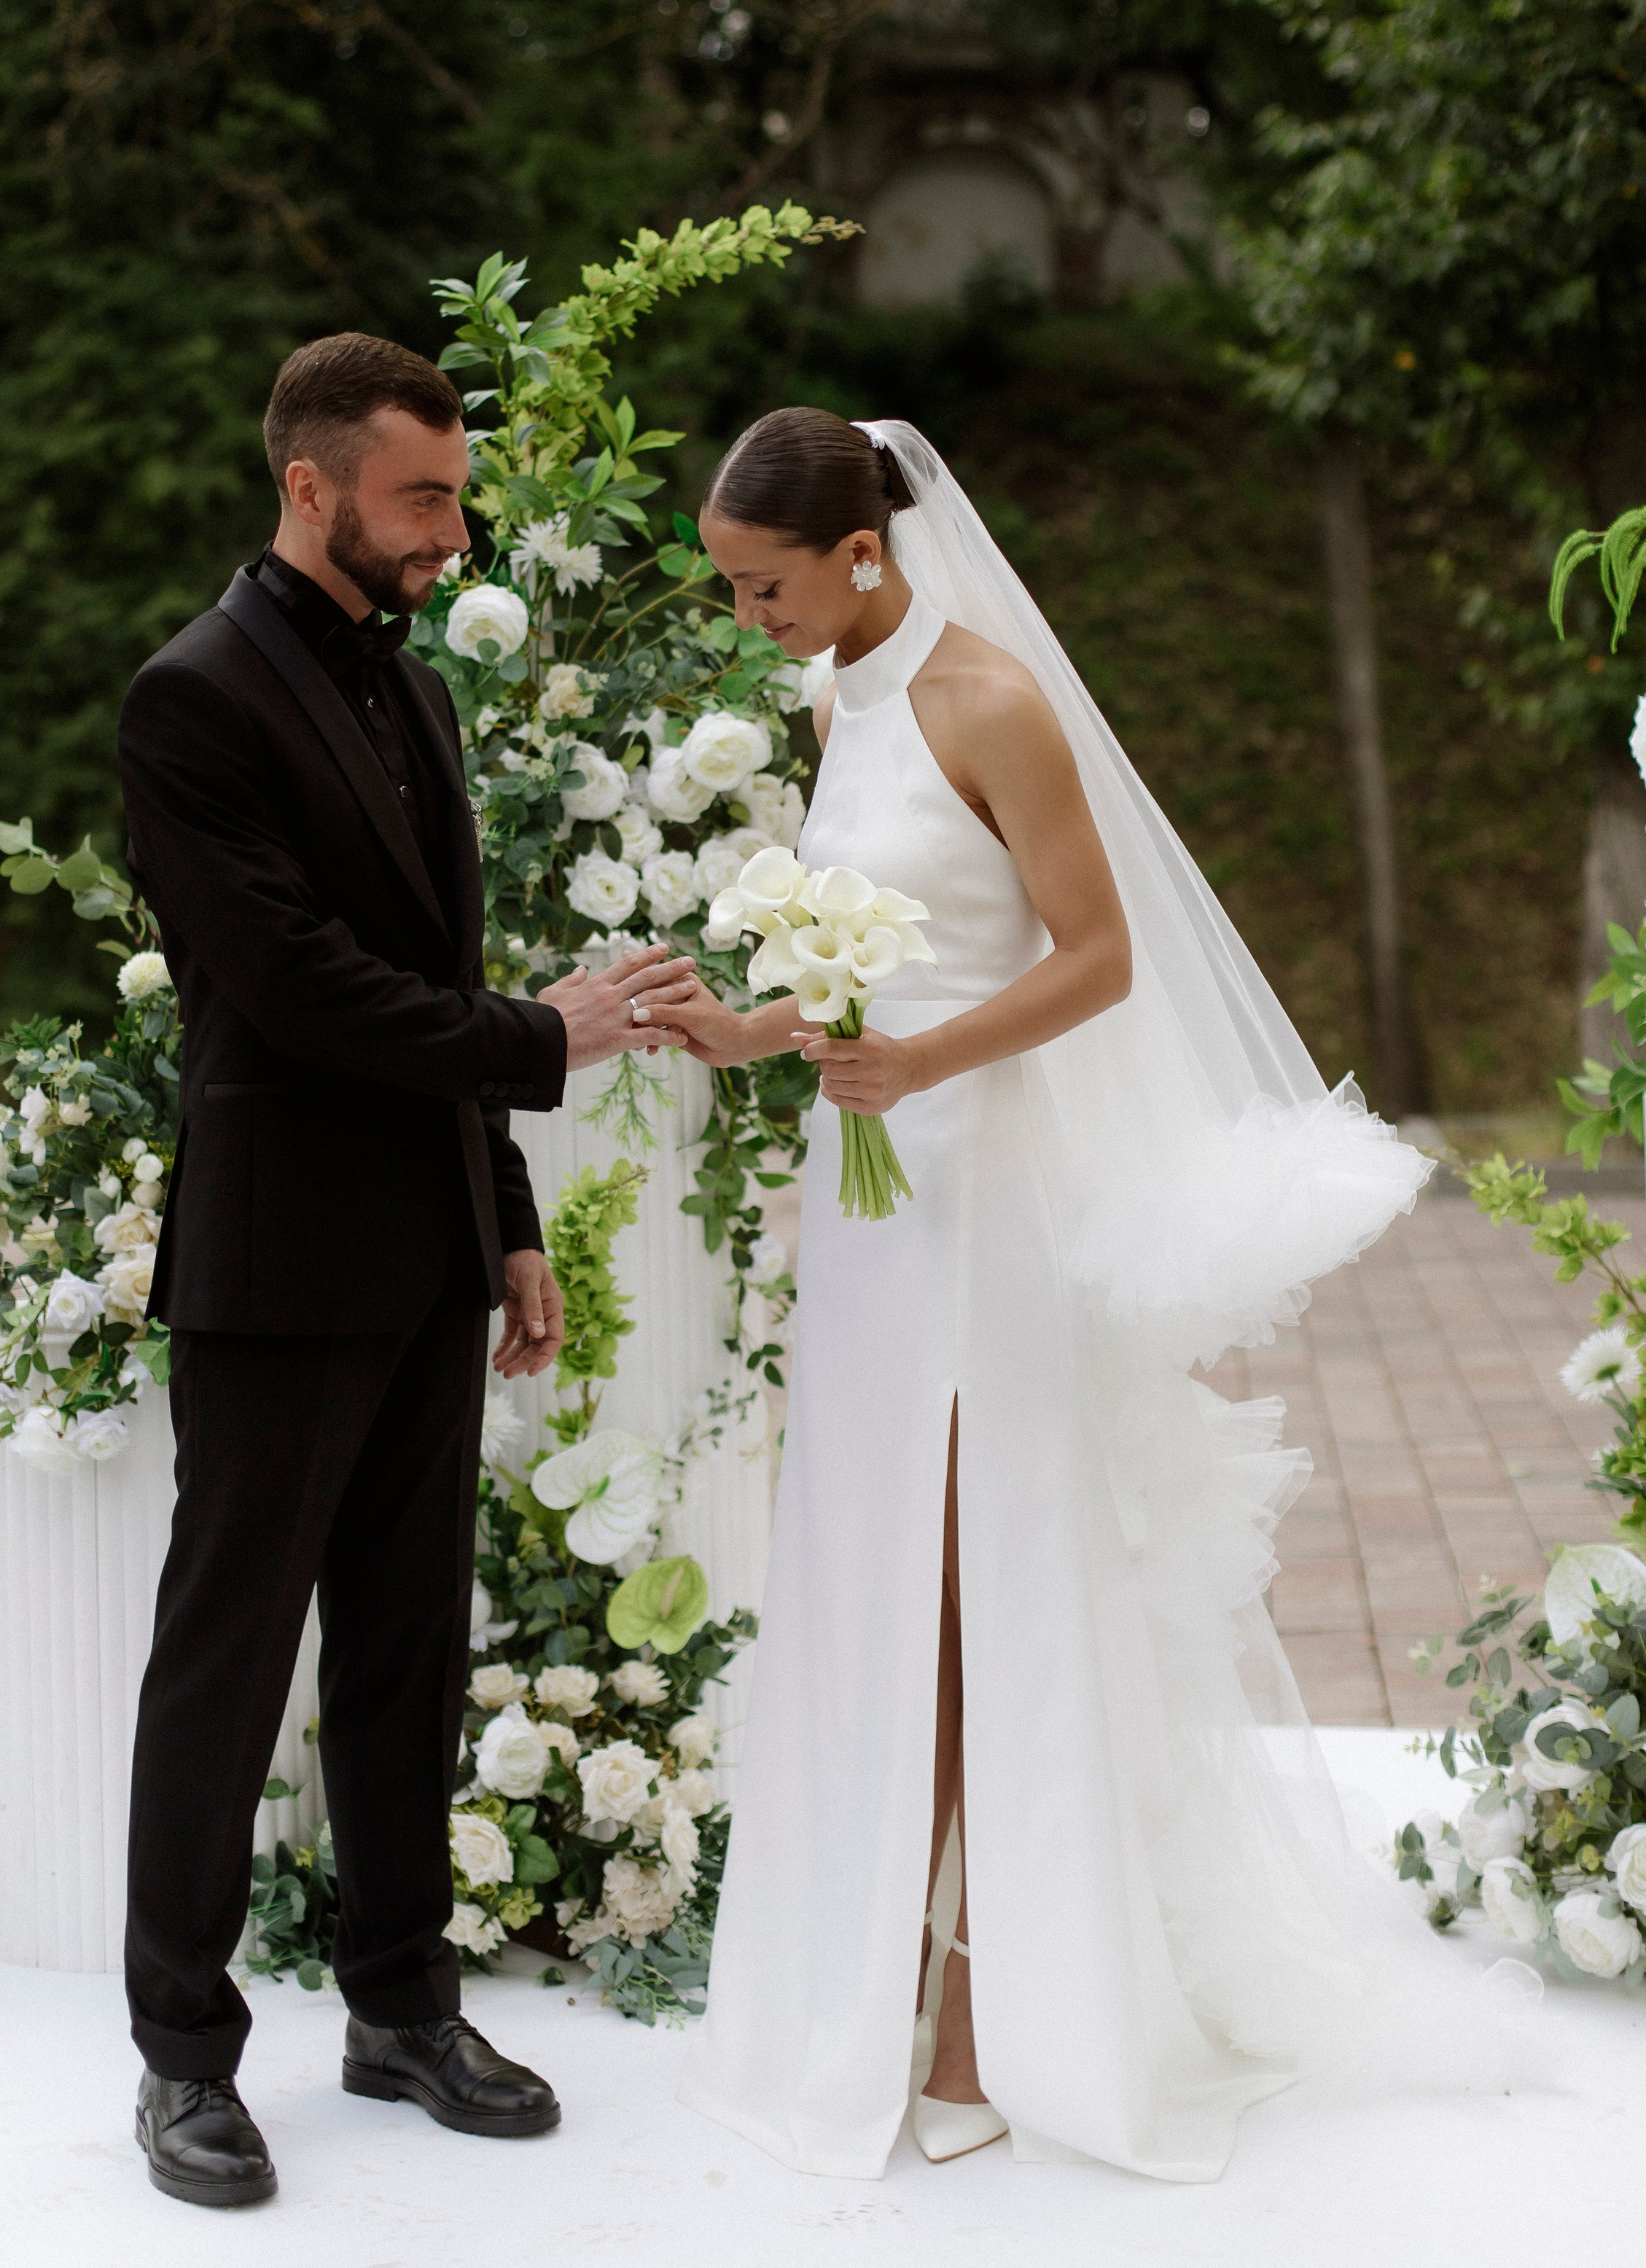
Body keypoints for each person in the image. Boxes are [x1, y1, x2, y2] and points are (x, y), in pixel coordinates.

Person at [669, 410, 1433, 2181]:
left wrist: (916, 1060)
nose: (746, 621)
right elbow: (861, 958)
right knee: (867, 1577)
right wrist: (753, 1026)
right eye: (733, 590)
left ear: (862, 556)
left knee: (965, 1582)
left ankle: (970, 2017)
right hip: (868, 1211)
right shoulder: (827, 698)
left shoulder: (984, 702)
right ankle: (851, 1985)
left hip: (986, 1204)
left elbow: (1093, 960)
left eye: (761, 587)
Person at [116, 332, 698, 2207]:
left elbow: (430, 975)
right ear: (312, 488)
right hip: (274, 1267)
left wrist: (508, 1221)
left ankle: (396, 2008)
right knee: (225, 1665)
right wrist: (546, 1037)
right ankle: (182, 2060)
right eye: (422, 499)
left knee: (403, 1657)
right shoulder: (188, 701)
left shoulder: (415, 686)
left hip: (428, 1254)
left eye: (455, 495)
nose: (451, 532)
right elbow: (291, 989)